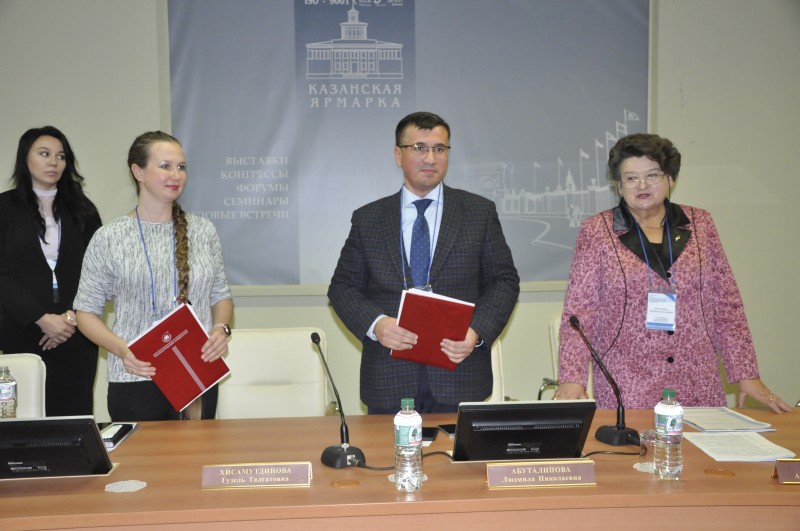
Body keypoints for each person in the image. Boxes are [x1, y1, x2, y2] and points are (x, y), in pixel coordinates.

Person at [554, 133, 791, 413]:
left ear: (671, 179)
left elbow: (726, 304)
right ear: (619, 185)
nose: (642, 185)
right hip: (628, 381)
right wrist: (571, 379)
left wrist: (746, 374)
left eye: (652, 175)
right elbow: (579, 314)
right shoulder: (596, 231)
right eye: (631, 178)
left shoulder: (700, 224)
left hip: (697, 378)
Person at [328, 111, 520, 414]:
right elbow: (342, 288)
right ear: (398, 154)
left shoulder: (478, 212)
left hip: (459, 373)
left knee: (455, 449)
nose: (431, 158)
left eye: (439, 149)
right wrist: (377, 325)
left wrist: (475, 332)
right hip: (389, 378)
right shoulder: (369, 219)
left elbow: (504, 282)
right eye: (419, 148)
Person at [74, 131, 233, 421]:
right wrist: (123, 350)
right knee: (142, 454)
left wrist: (220, 329)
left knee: (197, 451)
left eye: (181, 166)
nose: (176, 175)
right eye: (165, 166)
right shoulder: (109, 237)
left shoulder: (203, 230)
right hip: (135, 377)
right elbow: (85, 312)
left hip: (195, 372)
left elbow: (221, 296)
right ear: (138, 172)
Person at [0, 126, 102, 416]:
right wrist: (41, 318)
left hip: (76, 332)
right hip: (22, 330)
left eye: (61, 156)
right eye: (44, 154)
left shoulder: (83, 209)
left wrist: (70, 317)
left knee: (74, 419)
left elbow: (99, 273)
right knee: (25, 422)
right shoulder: (4, 208)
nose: (53, 162)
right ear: (25, 158)